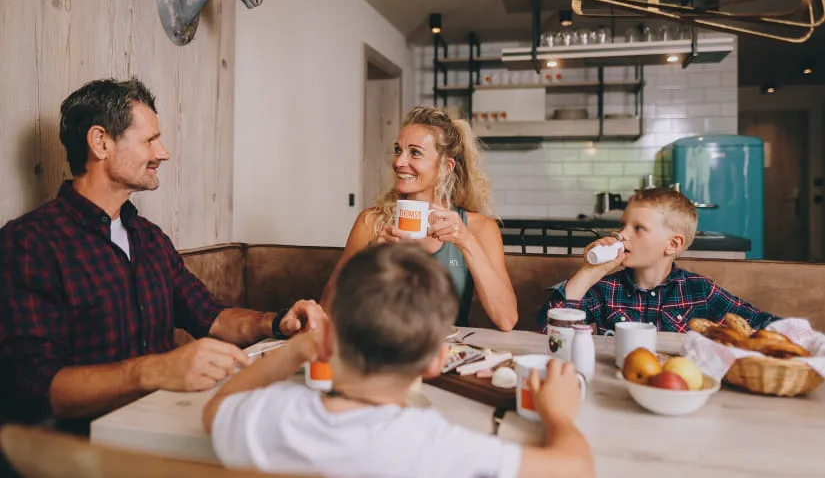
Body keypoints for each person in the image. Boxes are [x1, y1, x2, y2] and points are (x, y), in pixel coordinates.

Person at [0, 78, 325, 429]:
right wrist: (154, 371)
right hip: (81, 449)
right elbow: (31, 388)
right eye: (150, 140)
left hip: (163, 425)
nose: (163, 153)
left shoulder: (149, 238)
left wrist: (277, 322)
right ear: (100, 142)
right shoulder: (30, 242)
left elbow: (211, 316)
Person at [203, 244, 594, 478]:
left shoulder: (276, 418)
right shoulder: (436, 446)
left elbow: (216, 408)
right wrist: (558, 416)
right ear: (437, 361)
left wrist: (296, 349)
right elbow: (576, 468)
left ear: (326, 341)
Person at [320, 106, 518, 331]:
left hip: (450, 354)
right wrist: (368, 258)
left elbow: (507, 319)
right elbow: (326, 309)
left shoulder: (480, 229)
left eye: (414, 152)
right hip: (382, 350)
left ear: (445, 167)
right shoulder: (371, 222)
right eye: (398, 150)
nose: (398, 162)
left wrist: (466, 241)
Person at [539, 188, 779, 333]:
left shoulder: (700, 291)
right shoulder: (605, 290)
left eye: (638, 228)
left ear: (673, 244)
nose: (621, 235)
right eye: (623, 225)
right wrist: (590, 272)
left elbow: (767, 325)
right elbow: (549, 332)